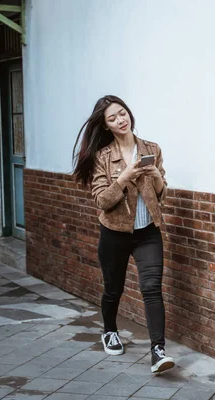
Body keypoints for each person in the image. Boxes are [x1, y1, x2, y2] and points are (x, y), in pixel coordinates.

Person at [72, 95, 174, 374]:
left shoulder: (151, 148)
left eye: (122, 113)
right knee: (113, 289)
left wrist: (154, 176)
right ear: (105, 126)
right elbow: (102, 201)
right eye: (113, 118)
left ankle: (158, 351)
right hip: (114, 233)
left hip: (148, 232)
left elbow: (162, 193)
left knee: (152, 288)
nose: (121, 119)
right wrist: (125, 175)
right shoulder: (102, 157)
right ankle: (109, 331)